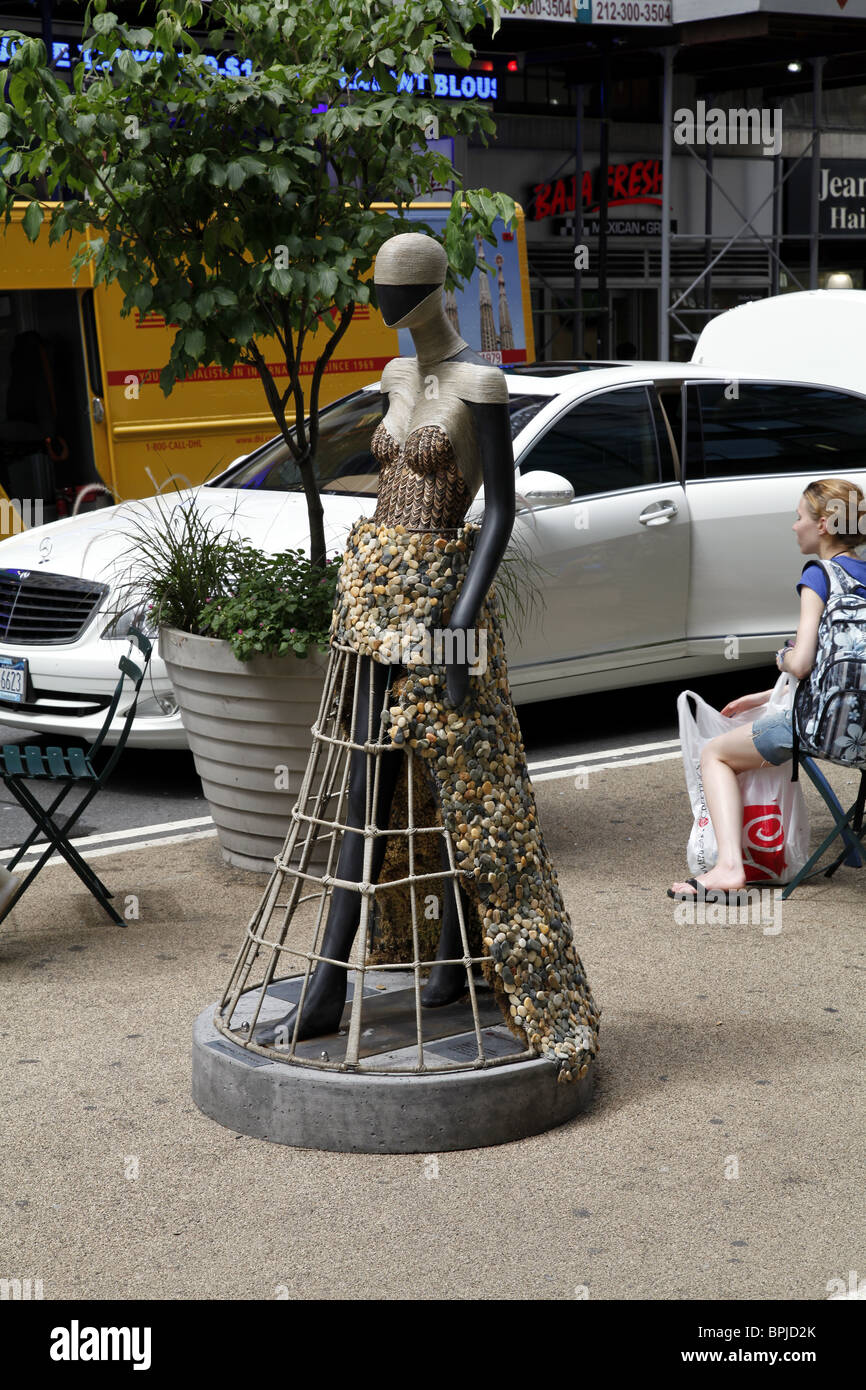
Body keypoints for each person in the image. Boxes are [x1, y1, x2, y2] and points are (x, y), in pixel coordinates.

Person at [669, 477, 866, 899]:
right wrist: (765, 697)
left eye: (799, 518)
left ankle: (727, 868)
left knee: (715, 753)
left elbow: (802, 662)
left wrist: (781, 657)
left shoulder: (820, 575)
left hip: (822, 731)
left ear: (825, 525)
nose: (794, 526)